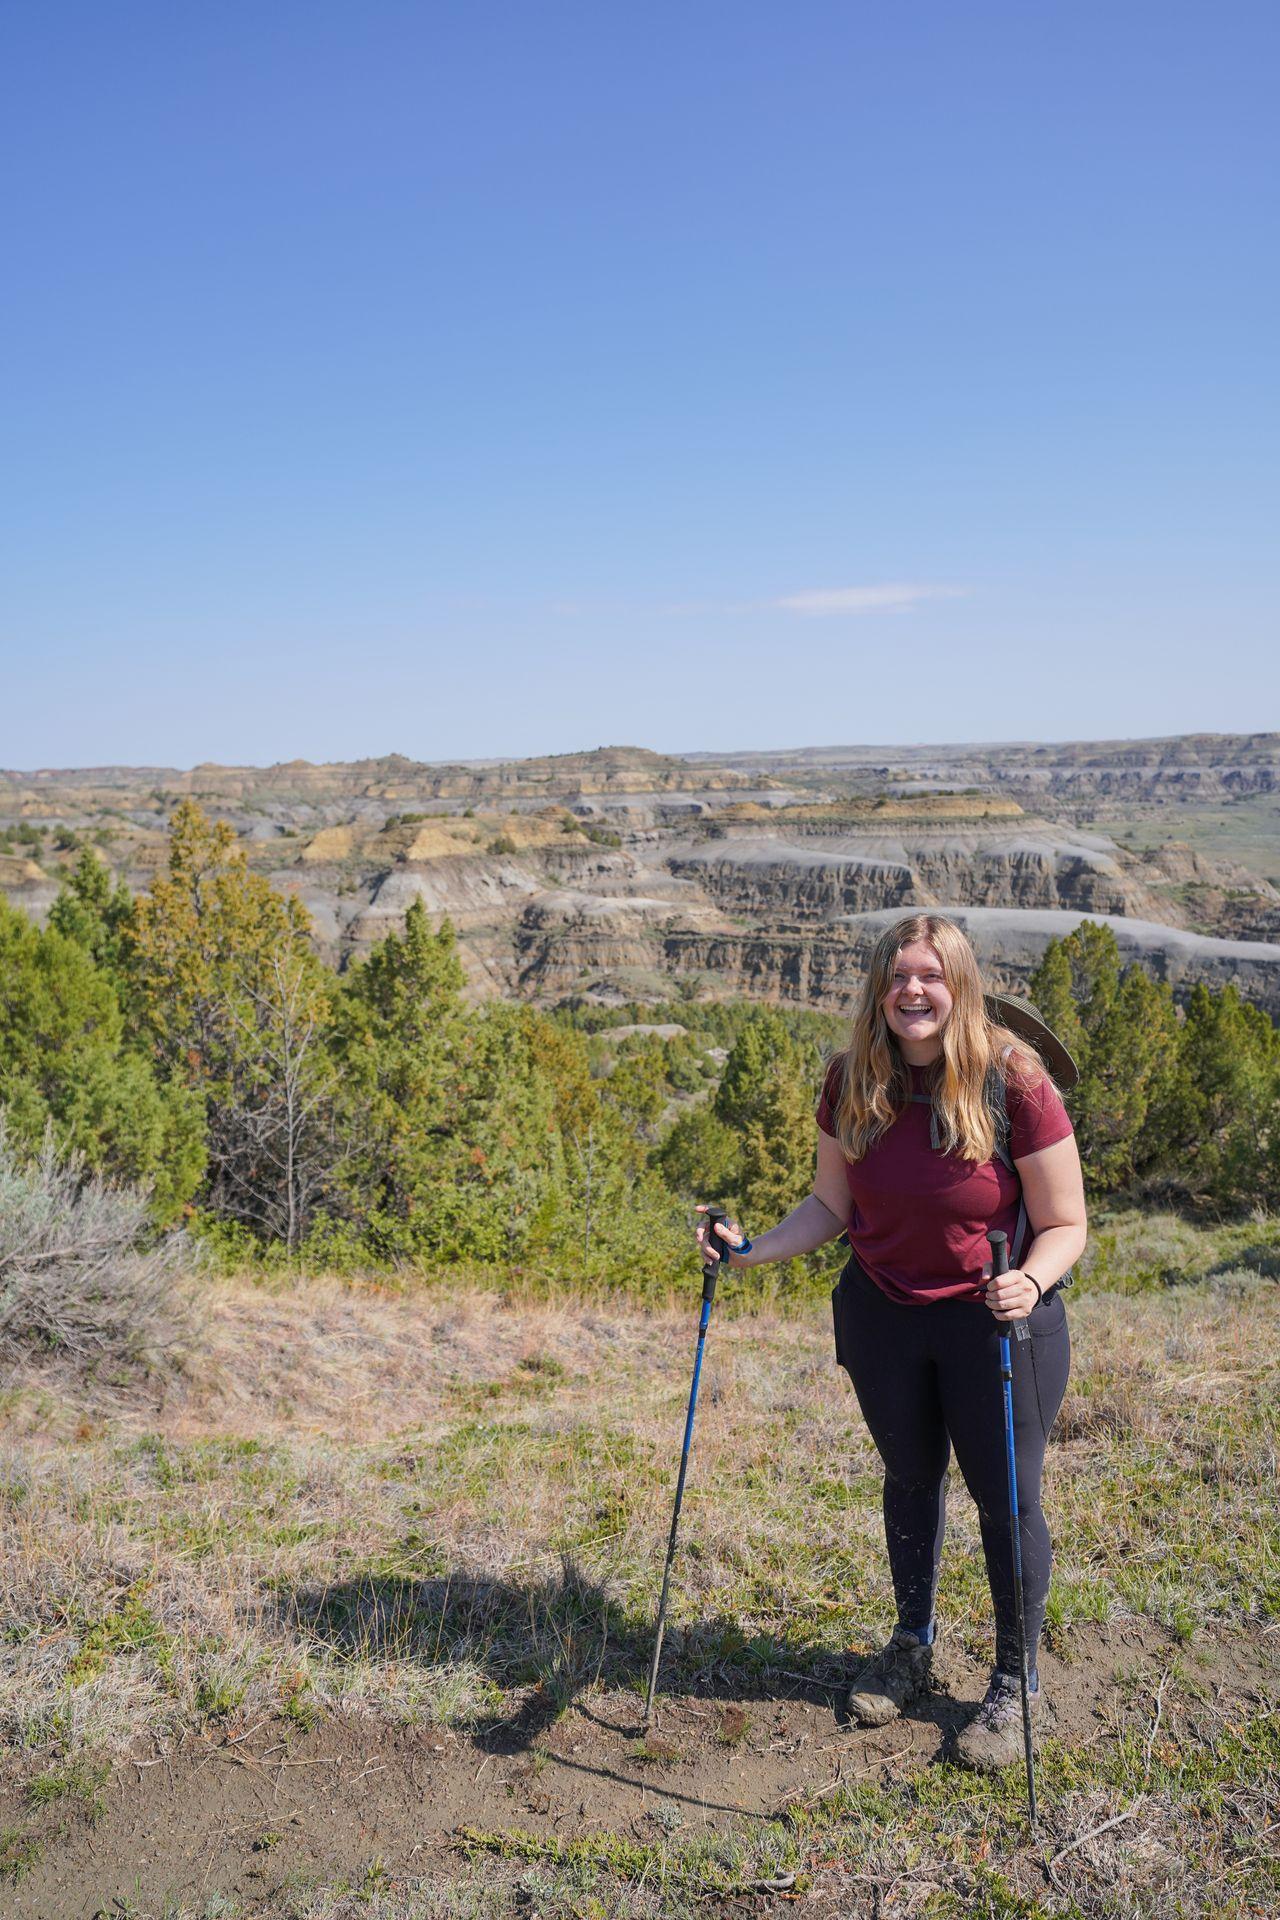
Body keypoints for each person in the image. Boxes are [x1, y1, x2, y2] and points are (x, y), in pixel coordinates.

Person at [696, 912, 1087, 1771]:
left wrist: (1034, 1277)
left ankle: (1014, 1682)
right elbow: (834, 1205)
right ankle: (912, 1643)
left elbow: (1065, 1222)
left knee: (1007, 1500)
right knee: (910, 1477)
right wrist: (752, 1249)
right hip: (883, 1314)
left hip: (995, 1321)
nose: (914, 991)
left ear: (961, 985)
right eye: (898, 975)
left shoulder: (1014, 1081)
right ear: (878, 987)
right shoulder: (853, 1080)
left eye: (932, 975)